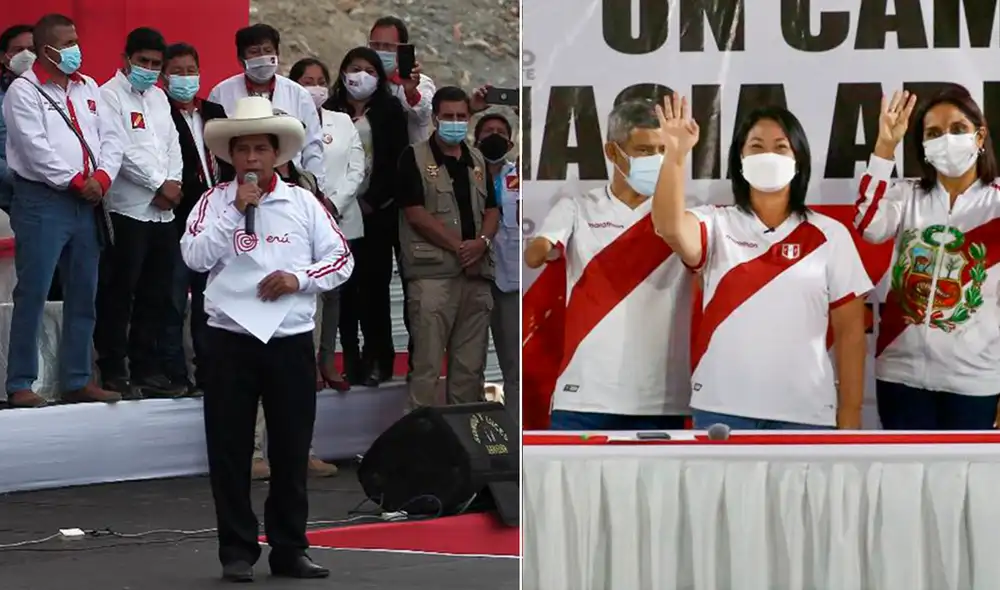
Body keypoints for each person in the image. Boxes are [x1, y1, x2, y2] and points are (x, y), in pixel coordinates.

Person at [181, 96, 353, 581]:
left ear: (276, 154)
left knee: (291, 449)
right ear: (231, 156)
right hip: (229, 340)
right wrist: (236, 211)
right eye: (243, 150)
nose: (252, 158)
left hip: (288, 340)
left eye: (260, 149)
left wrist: (299, 279)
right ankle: (236, 550)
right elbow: (194, 257)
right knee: (229, 450)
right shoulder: (213, 201)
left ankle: (289, 548)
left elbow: (342, 259)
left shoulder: (303, 203)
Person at [651, 94, 872, 430]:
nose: (768, 155)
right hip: (721, 410)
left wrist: (851, 414)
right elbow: (668, 226)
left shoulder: (830, 235)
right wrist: (675, 156)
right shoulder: (715, 223)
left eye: (781, 147)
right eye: (756, 146)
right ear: (739, 160)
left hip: (805, 414)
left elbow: (851, 332)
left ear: (798, 160)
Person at [524, 100, 692, 430]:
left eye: (663, 150)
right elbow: (535, 254)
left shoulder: (683, 220)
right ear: (613, 152)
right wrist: (542, 248)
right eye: (644, 150)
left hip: (659, 400)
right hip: (584, 396)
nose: (656, 160)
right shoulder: (577, 208)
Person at [854, 87, 1000, 430]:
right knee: (902, 467)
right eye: (933, 133)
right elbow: (868, 224)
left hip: (975, 381)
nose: (946, 139)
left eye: (958, 129)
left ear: (980, 137)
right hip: (899, 376)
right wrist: (884, 147)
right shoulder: (907, 196)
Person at [3, 14, 124, 408]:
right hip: (43, 201)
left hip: (87, 202)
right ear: (46, 50)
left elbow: (112, 137)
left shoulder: (88, 86)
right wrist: (74, 180)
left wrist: (102, 178)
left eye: (76, 41)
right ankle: (20, 382)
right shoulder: (24, 91)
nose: (75, 50)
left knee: (84, 292)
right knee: (34, 292)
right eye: (67, 43)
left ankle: (77, 379)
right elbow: (34, 148)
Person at [95, 27, 185, 399]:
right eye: (142, 61)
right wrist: (158, 184)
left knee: (156, 294)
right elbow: (119, 150)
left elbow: (173, 145)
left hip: (163, 214)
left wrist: (174, 184)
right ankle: (114, 369)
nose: (148, 69)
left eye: (155, 64)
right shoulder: (107, 95)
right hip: (127, 209)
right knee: (119, 293)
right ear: (126, 59)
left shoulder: (160, 98)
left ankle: (146, 368)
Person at [396, 86, 498, 408]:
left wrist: (481, 243)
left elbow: (492, 210)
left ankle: (464, 436)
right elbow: (415, 213)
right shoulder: (413, 156)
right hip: (432, 277)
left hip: (476, 276)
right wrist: (459, 247)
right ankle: (420, 435)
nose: (455, 122)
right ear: (435, 118)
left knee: (470, 368)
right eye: (448, 116)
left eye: (461, 116)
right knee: (426, 366)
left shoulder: (477, 159)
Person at [324, 47, 409, 386]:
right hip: (338, 212)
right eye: (354, 68)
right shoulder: (329, 109)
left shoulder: (390, 111)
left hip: (377, 211)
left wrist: (373, 201)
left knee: (374, 289)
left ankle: (379, 358)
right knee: (343, 289)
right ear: (343, 72)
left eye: (370, 71)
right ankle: (351, 358)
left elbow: (396, 161)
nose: (361, 76)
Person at [160, 42, 234, 395]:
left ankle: (210, 373)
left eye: (191, 70)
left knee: (211, 301)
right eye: (177, 71)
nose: (185, 77)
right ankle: (175, 374)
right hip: (177, 218)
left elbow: (230, 159)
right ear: (164, 77)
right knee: (173, 301)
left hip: (216, 220)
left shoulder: (214, 112)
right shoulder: (161, 112)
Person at [289, 57, 364, 392]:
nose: (315, 88)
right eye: (307, 81)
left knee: (334, 294)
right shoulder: (284, 122)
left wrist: (333, 203)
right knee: (309, 292)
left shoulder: (342, 120)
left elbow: (357, 167)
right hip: (300, 218)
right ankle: (307, 363)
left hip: (339, 216)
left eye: (321, 81)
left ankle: (328, 359)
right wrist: (313, 204)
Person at [208, 24, 324, 186]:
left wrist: (315, 186)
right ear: (241, 59)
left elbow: (312, 146)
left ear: (277, 54)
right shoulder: (220, 93)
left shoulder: (299, 94)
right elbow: (214, 146)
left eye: (268, 50)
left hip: (289, 184)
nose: (262, 57)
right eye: (254, 52)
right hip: (238, 183)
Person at [474, 112, 519, 425]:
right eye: (488, 131)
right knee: (469, 363)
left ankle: (515, 430)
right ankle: (473, 433)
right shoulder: (465, 174)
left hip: (510, 279)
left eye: (501, 132)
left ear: (511, 142)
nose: (494, 136)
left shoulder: (521, 177)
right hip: (472, 275)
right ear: (476, 140)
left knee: (514, 363)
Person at [368, 16, 434, 143]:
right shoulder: (364, 80)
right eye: (375, 45)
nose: (380, 51)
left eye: (388, 46)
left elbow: (423, 114)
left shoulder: (422, 83)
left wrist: (411, 92)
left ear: (402, 48)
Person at [0, 24, 34, 211]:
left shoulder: (57, 94)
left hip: (53, 198)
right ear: (3, 56)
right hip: (7, 201)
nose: (26, 55)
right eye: (18, 50)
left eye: (32, 50)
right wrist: (22, 180)